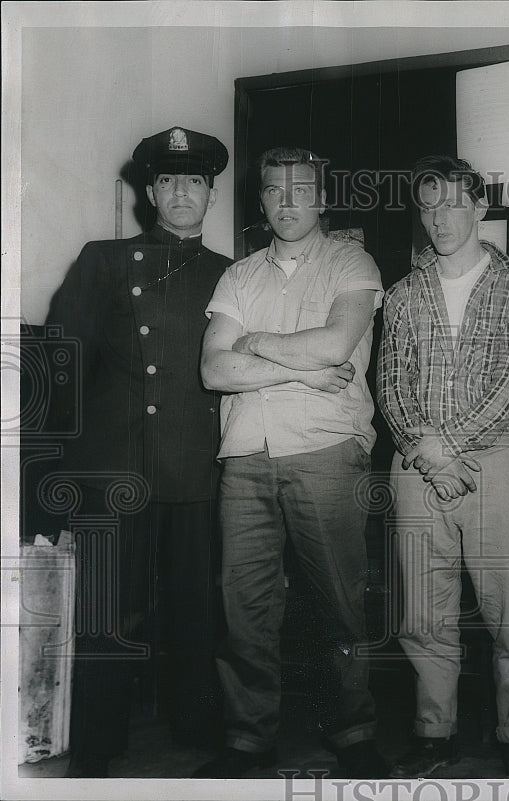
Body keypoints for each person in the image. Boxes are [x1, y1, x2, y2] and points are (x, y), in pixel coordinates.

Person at [194, 147, 386, 779]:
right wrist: (298, 363)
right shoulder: (238, 277)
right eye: (274, 190)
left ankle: (354, 729)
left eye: (301, 189)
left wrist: (255, 343)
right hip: (246, 456)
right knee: (243, 606)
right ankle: (249, 740)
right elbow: (214, 370)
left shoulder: (351, 263)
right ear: (261, 201)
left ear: (321, 198)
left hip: (326, 450)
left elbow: (336, 344)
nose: (288, 201)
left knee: (338, 601)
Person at [45, 126, 230, 777]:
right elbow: (62, 363)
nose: (182, 193)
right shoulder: (103, 260)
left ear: (211, 193)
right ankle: (96, 744)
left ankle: (197, 727)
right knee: (106, 614)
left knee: (193, 607)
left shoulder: (231, 275)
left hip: (195, 465)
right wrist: (62, 475)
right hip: (113, 466)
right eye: (170, 181)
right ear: (151, 191)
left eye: (195, 182)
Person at [377, 156, 509, 779]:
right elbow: (390, 384)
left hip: (495, 461)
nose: (440, 217)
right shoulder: (402, 293)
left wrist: (447, 443)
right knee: (423, 613)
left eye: (453, 203)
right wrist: (425, 450)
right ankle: (432, 732)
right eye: (429, 205)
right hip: (418, 466)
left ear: (480, 208)